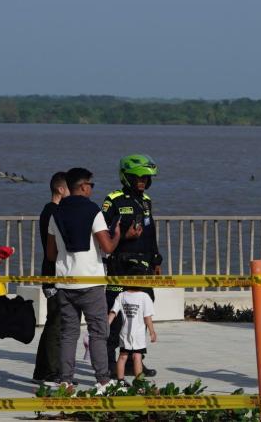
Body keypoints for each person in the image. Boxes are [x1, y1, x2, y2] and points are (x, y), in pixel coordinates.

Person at [47, 167, 132, 392]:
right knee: (98, 331)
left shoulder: (55, 212)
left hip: (65, 282)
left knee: (68, 333)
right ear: (84, 186)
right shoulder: (94, 211)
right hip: (91, 282)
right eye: (91, 185)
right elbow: (107, 247)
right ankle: (103, 380)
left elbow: (50, 254)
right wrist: (117, 233)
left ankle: (65, 380)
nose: (92, 189)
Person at [100, 154, 162, 375]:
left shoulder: (146, 201)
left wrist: (156, 259)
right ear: (126, 177)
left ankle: (134, 360)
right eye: (137, 178)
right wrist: (124, 236)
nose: (142, 182)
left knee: (141, 315)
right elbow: (103, 235)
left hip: (143, 268)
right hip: (120, 267)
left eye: (145, 178)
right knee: (115, 317)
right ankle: (108, 365)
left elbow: (151, 232)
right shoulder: (113, 200)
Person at [33, 171, 70, 385]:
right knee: (57, 324)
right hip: (53, 274)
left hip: (50, 273)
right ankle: (52, 371)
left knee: (52, 323)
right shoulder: (53, 212)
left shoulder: (49, 211)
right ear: (60, 189)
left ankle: (41, 369)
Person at [108, 286, 157, 381]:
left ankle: (120, 381)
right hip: (138, 334)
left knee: (122, 356)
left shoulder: (121, 295)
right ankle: (139, 383)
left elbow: (113, 312)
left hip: (124, 332)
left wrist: (106, 326)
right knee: (137, 357)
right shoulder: (144, 296)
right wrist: (152, 331)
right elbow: (147, 317)